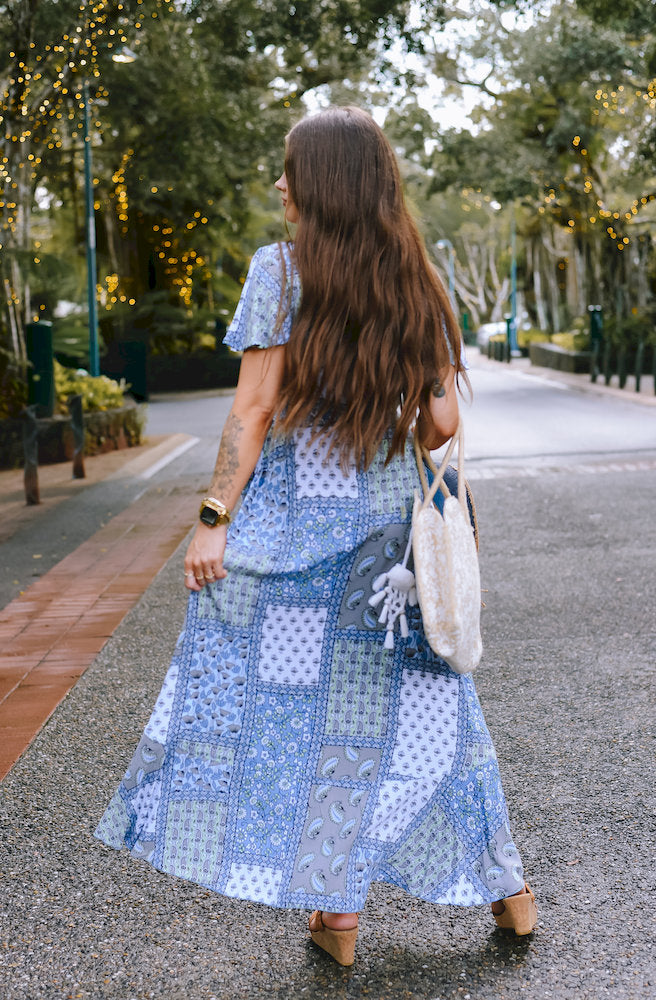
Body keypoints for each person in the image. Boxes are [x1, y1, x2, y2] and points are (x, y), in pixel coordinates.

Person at [95, 105, 537, 967]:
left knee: (292, 721)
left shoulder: (280, 273)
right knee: (428, 720)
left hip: (294, 546)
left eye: (287, 168)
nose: (278, 185)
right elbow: (442, 422)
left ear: (319, 183)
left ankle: (339, 919)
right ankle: (510, 896)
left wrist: (213, 520)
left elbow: (253, 411)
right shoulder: (416, 276)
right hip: (389, 557)